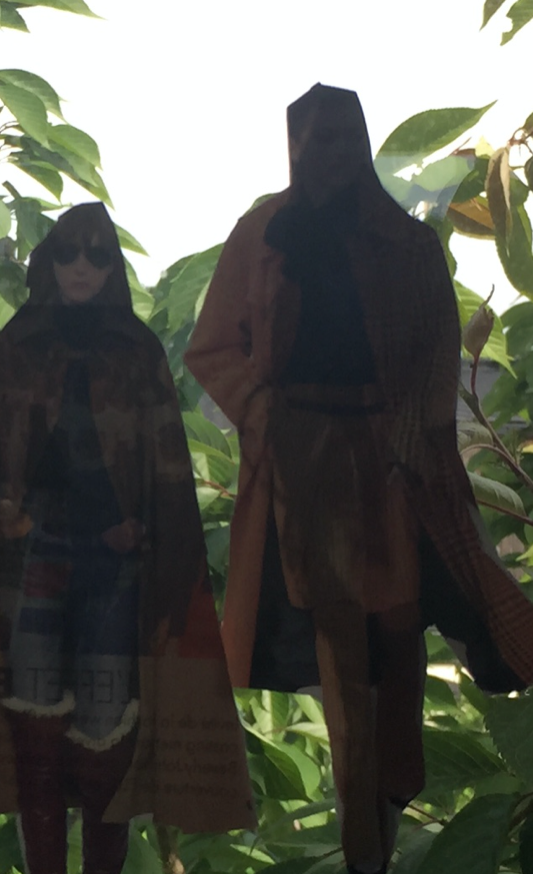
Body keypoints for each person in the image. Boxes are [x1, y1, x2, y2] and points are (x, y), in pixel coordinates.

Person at [185, 83, 533, 874]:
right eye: (318, 139)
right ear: (294, 147)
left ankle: (388, 799)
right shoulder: (262, 233)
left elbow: (435, 356)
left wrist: (410, 439)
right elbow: (212, 349)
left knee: (398, 636)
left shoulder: (406, 244)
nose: (333, 153)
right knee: (337, 638)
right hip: (302, 465)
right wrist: (267, 419)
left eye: (347, 137)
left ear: (365, 143)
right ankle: (362, 844)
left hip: (392, 462)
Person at [0, 203, 255, 874]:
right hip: (32, 554)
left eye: (97, 254)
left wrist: (152, 543)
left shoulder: (137, 349)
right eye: (70, 252)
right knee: (32, 727)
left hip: (116, 562)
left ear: (112, 267)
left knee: (106, 728)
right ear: (50, 261)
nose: (81, 267)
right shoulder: (17, 345)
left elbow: (168, 469)